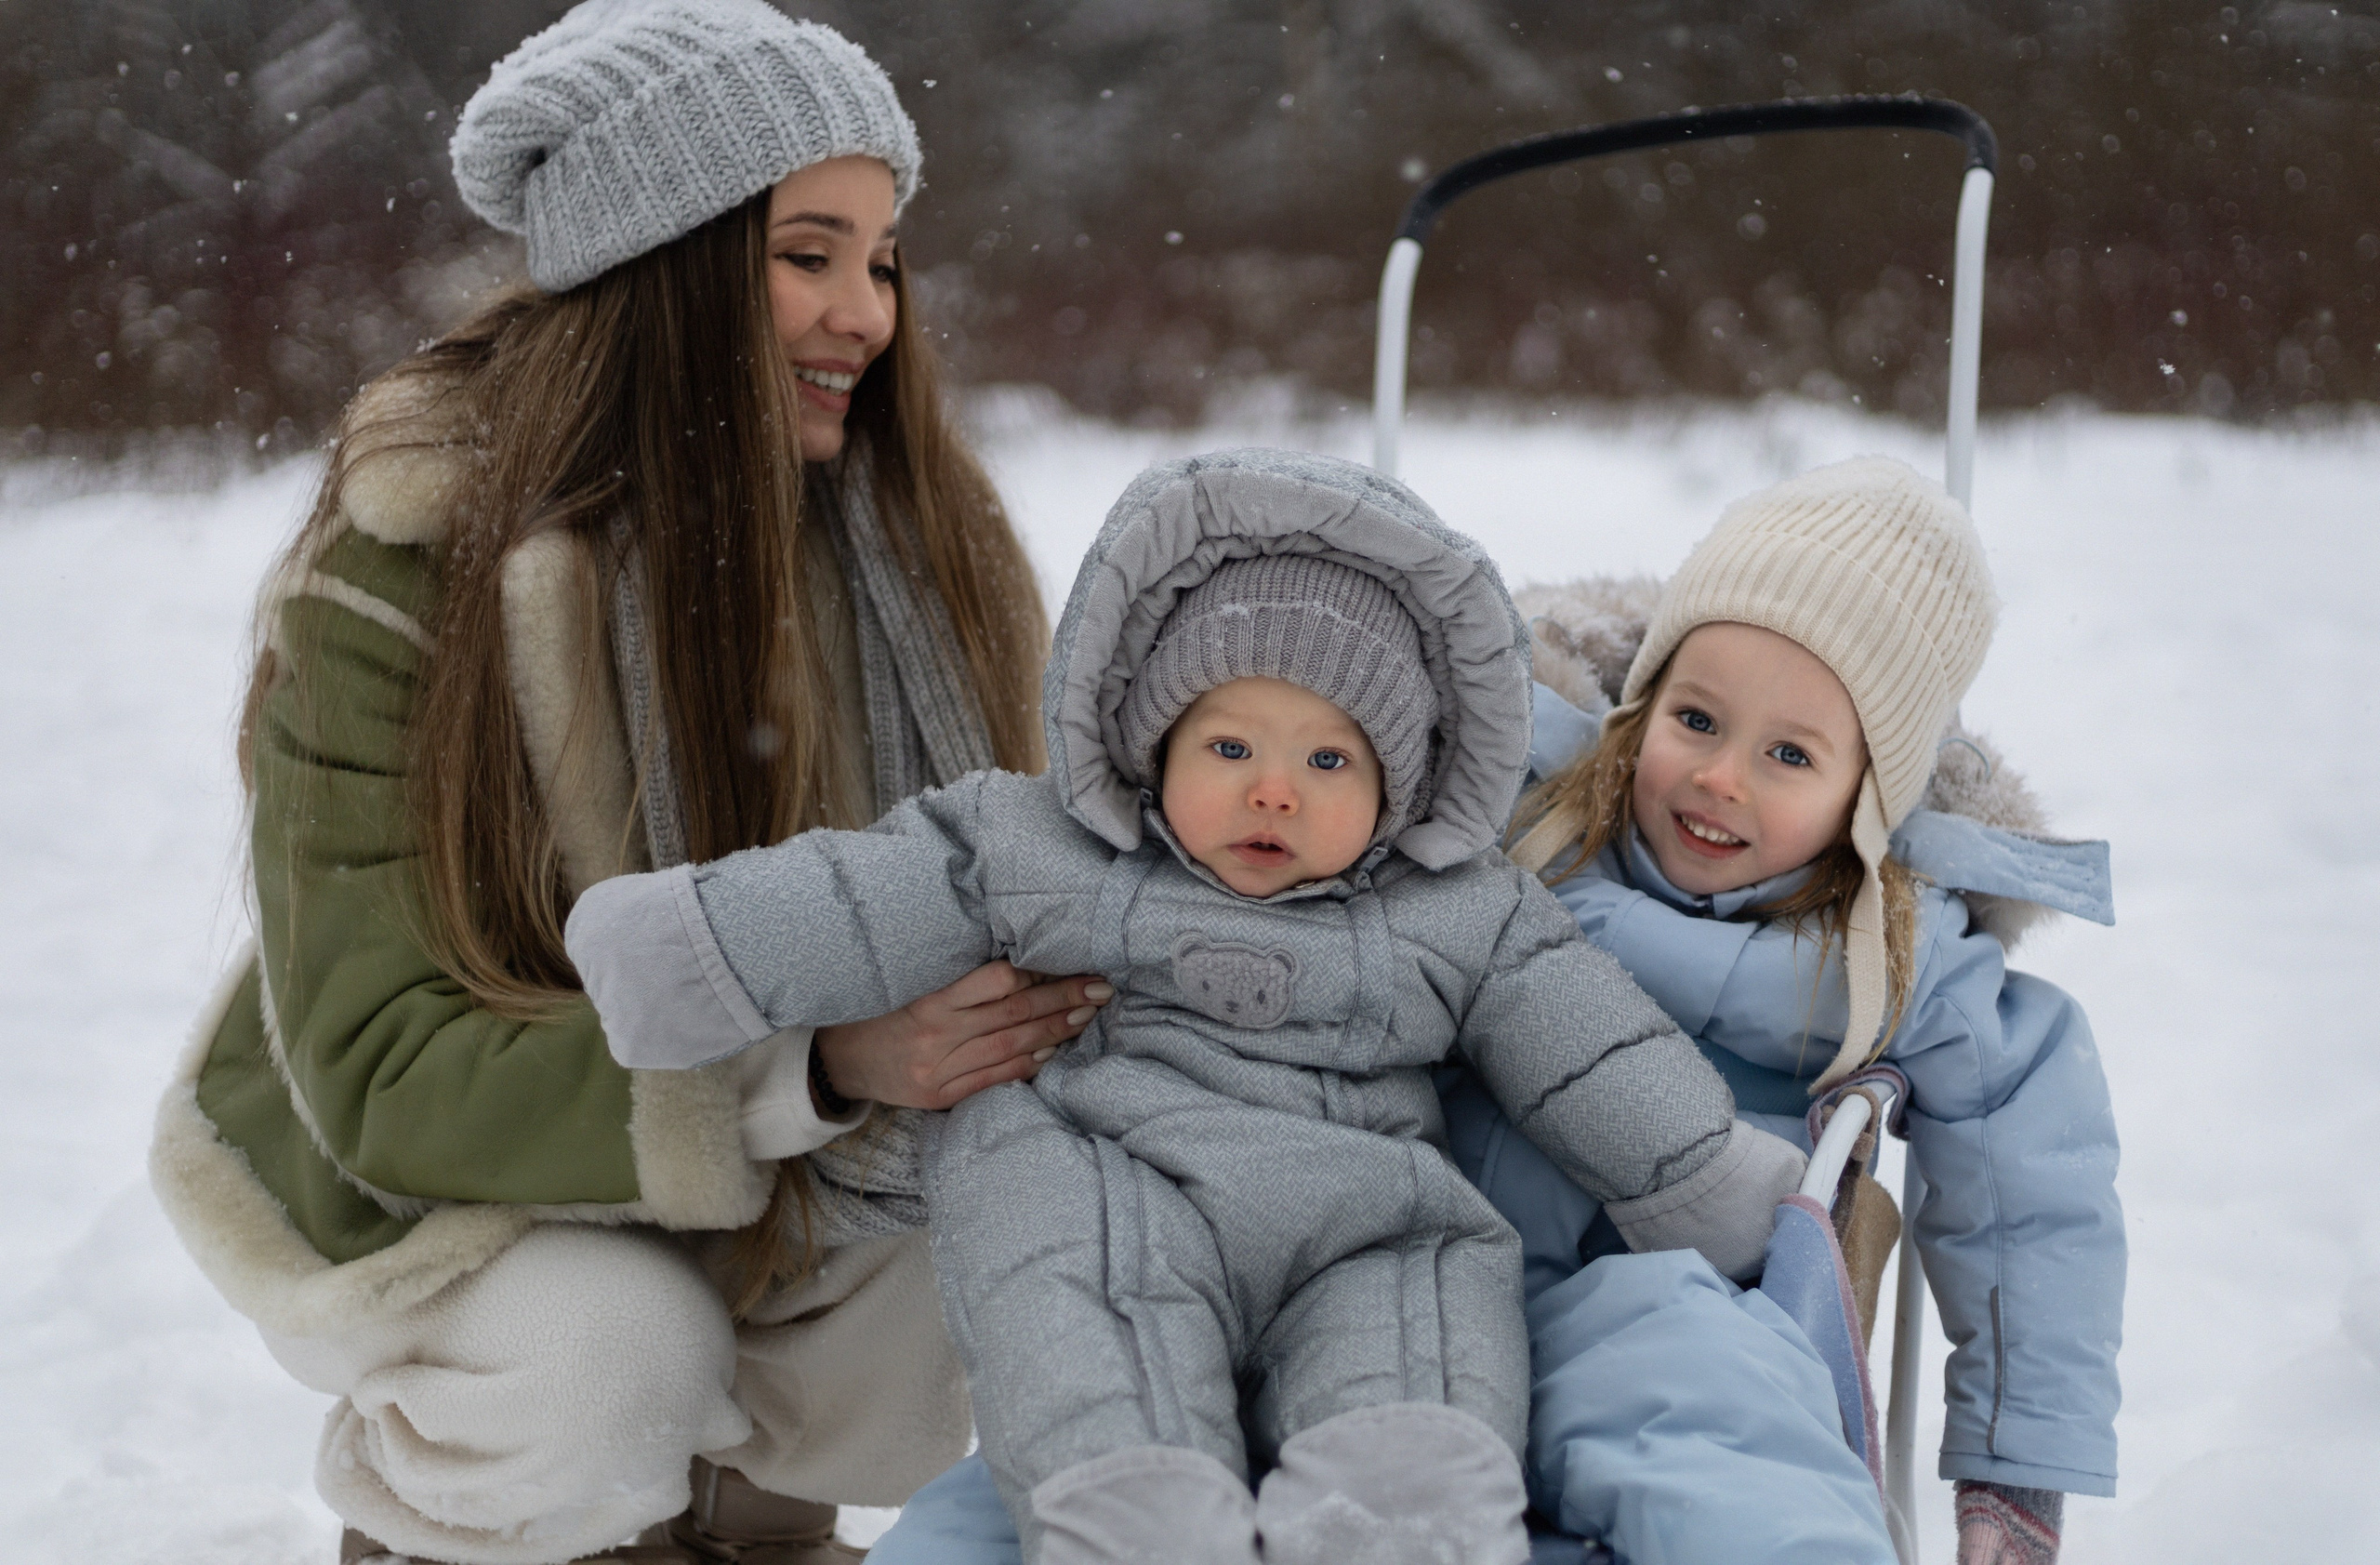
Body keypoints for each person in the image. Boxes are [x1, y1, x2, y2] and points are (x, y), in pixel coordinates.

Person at [145, 4, 1106, 1561]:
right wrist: (819, 1065)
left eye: (882, 257)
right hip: (449, 1174)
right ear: (666, 259)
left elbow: (1023, 867)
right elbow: (384, 1067)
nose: (864, 311)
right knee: (609, 1357)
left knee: (993, 1225)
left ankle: (746, 1528)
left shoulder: (910, 545)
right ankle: (461, 1527)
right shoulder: (407, 563)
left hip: (790, 1121)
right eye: (808, 252)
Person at [562, 449, 1818, 1565]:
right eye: (1231, 748)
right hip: (1109, 1179)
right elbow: (862, 891)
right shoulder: (1039, 843)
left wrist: (1700, 1174)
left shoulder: (1463, 904)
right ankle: (1138, 1509)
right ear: (1154, 741)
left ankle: (1403, 1512)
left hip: (1362, 1210)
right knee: (1082, 1325)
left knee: (1425, 1323)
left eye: (1329, 760)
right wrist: (685, 948)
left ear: (1400, 781)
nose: (1274, 792)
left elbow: (1582, 1042)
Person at [1481, 455, 2124, 1565]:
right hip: (1427, 1283)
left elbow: (2035, 1191)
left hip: (1680, 1321)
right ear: (1639, 710)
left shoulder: (1900, 964)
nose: (1721, 777)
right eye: (1696, 719)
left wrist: (2017, 1462)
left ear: (1868, 796)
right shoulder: (1521, 838)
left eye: (1788, 754)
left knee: (1716, 1440)